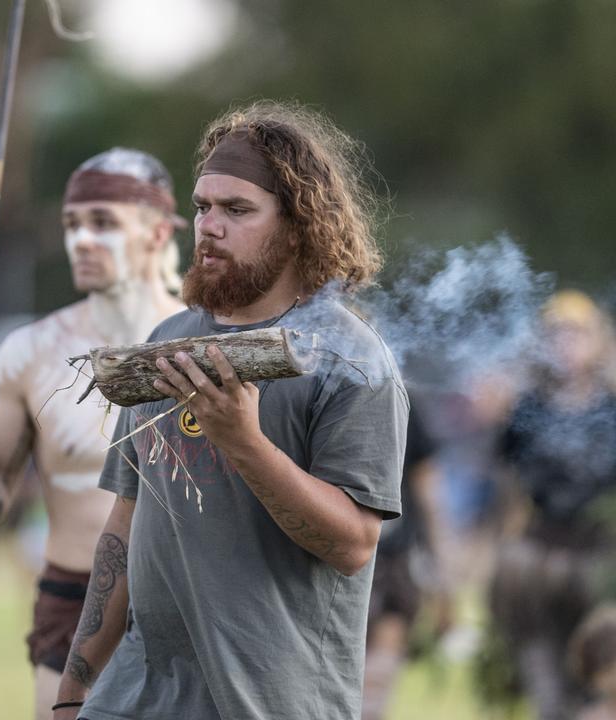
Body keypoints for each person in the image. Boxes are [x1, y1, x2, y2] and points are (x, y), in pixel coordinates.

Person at [53, 101, 408, 720]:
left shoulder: (353, 361)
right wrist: (72, 695)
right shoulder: (168, 340)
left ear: (298, 226)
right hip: (134, 700)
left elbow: (353, 545)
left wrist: (243, 441)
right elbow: (124, 527)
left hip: (271, 702)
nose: (209, 225)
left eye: (237, 210)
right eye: (202, 207)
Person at [0, 148, 186, 718]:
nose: (81, 241)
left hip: (184, 594)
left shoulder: (203, 341)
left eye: (104, 222)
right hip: (75, 596)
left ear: (155, 233)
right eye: (72, 224)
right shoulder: (29, 353)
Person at [488, 289, 616, 720]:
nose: (567, 345)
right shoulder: (528, 407)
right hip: (537, 553)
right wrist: (504, 543)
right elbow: (507, 481)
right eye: (557, 335)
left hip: (598, 552)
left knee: (599, 659)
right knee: (541, 662)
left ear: (597, 341)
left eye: (577, 335)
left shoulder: (612, 407)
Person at [362, 399, 453, 719]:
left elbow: (431, 499)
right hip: (330, 563)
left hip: (392, 565)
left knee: (376, 680)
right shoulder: (315, 389)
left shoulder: (401, 400)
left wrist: (444, 583)